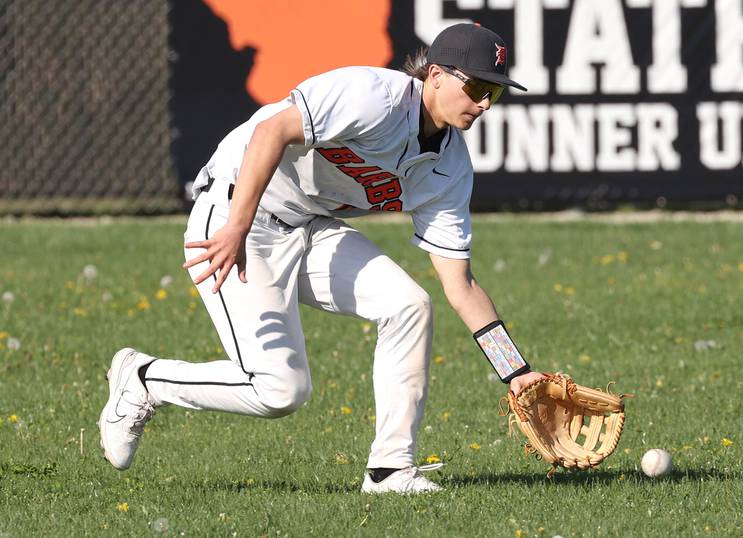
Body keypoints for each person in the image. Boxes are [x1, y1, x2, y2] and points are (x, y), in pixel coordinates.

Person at [98, 22, 544, 494]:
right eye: (475, 86)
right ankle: (145, 380)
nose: (484, 103)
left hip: (309, 226)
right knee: (280, 390)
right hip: (239, 215)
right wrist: (235, 227)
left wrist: (515, 370)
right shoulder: (374, 96)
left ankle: (390, 470)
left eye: (494, 91)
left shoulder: (450, 167)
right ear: (435, 74)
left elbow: (462, 285)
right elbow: (272, 131)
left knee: (409, 305)